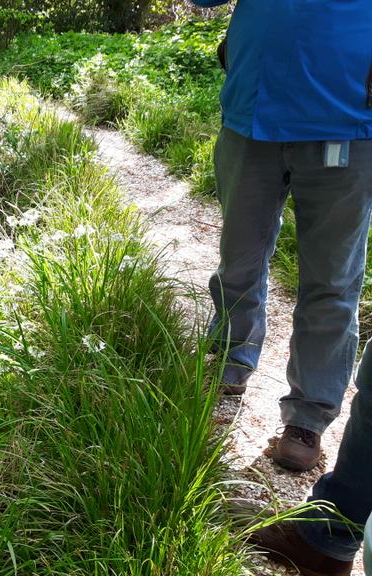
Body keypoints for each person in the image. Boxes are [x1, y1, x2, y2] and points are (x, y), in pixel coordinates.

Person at [190, 1, 372, 574]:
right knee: (239, 263)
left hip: (350, 123)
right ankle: (226, 374)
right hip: (251, 116)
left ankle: (306, 421)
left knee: (332, 285)